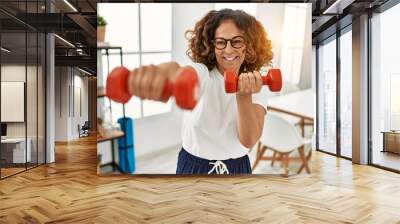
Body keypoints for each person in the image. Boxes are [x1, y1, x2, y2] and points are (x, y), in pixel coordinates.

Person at [127, 9, 273, 174]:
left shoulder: (256, 84)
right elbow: (179, 73)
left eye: (237, 41)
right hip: (193, 166)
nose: (229, 49)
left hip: (237, 168)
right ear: (212, 45)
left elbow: (248, 140)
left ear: (250, 44)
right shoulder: (203, 73)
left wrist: (243, 96)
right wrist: (161, 74)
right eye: (221, 42)